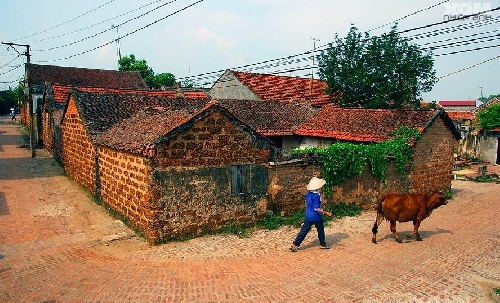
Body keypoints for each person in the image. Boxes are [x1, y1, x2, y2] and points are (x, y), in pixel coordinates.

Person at [290, 177, 332, 252]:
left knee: (304, 231)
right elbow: (316, 209)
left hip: (308, 215)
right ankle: (322, 244)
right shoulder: (316, 196)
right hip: (316, 217)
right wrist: (326, 213)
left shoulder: (308, 194)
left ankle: (295, 244)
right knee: (320, 230)